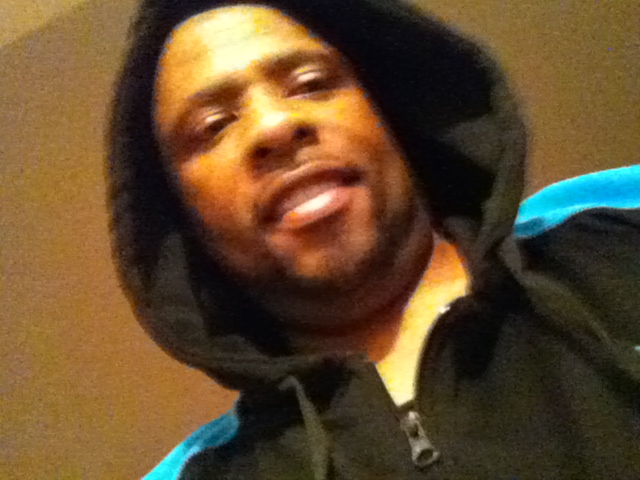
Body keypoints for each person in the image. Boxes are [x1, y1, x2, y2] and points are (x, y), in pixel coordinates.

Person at [107, 0, 640, 478]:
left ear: (389, 112)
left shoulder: (618, 230)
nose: (275, 126)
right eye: (213, 125)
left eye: (311, 83)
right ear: (184, 222)